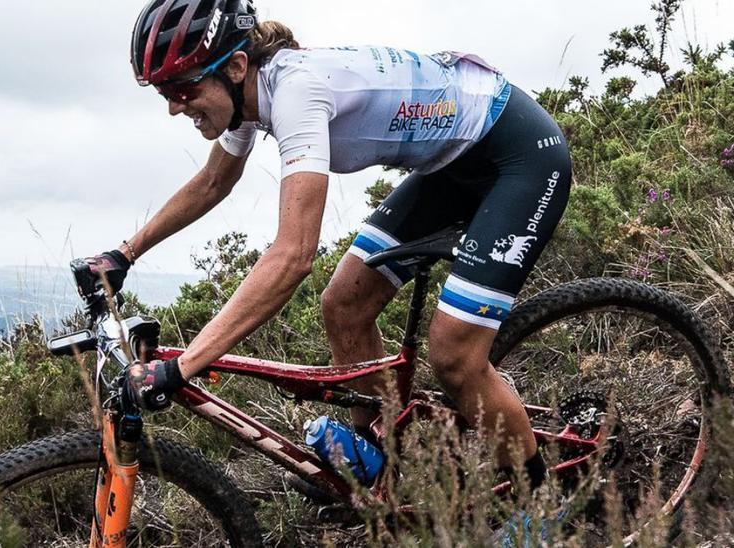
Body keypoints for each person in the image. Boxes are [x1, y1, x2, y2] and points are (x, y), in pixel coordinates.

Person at [75, 0, 570, 490]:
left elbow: (292, 256)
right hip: (450, 164)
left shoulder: (296, 94)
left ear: (237, 66)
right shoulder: (244, 97)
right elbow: (211, 183)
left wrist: (184, 367)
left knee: (454, 355)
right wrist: (123, 255)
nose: (173, 106)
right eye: (165, 91)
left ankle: (536, 504)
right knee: (344, 307)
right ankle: (381, 460)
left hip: (519, 156)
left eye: (184, 88)